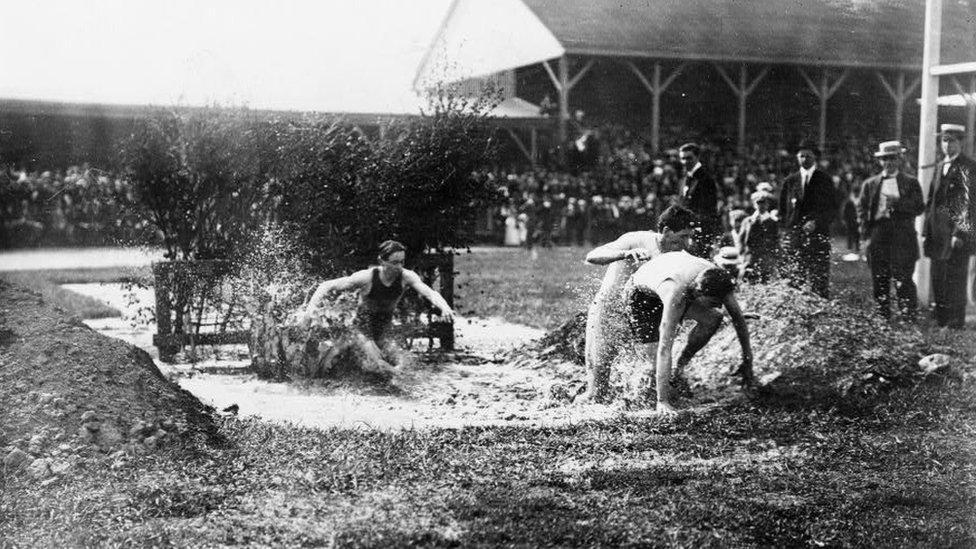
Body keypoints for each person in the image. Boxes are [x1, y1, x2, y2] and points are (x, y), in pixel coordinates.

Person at [581, 205, 697, 403]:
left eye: (689, 237)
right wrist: (624, 254)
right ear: (667, 231)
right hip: (610, 311)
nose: (687, 243)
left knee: (649, 383)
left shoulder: (679, 255)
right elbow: (592, 256)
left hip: (643, 316)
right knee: (596, 393)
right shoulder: (637, 239)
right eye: (683, 236)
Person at [624, 251, 755, 414]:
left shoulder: (718, 280)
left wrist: (747, 360)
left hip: (679, 279)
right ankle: (642, 394)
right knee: (652, 366)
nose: (721, 306)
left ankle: (679, 370)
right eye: (715, 302)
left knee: (713, 318)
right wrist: (662, 401)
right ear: (700, 293)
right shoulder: (676, 295)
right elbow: (664, 348)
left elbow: (739, 320)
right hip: (642, 296)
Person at [304, 240, 455, 371]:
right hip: (362, 326)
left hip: (384, 325)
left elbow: (430, 293)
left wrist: (445, 307)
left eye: (402, 262)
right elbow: (326, 285)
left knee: (402, 362)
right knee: (378, 363)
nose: (399, 267)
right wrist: (309, 311)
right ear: (382, 261)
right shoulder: (367, 277)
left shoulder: (406, 277)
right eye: (394, 262)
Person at [858, 141, 925, 320]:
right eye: (886, 159)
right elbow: (862, 212)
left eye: (893, 158)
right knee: (880, 278)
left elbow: (919, 207)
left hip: (902, 234)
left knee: (903, 277)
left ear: (899, 159)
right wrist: (866, 237)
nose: (889, 162)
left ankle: (908, 316)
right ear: (880, 161)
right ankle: (882, 316)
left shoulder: (910, 183)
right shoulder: (870, 184)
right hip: (879, 234)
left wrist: (899, 203)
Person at [923, 124, 976, 329]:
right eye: (944, 140)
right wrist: (927, 231)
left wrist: (959, 232)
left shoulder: (968, 167)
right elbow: (932, 202)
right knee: (938, 276)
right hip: (937, 232)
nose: (947, 145)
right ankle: (942, 318)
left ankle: (955, 322)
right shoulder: (939, 166)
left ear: (961, 142)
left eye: (952, 140)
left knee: (955, 278)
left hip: (955, 233)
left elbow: (969, 203)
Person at [778, 139, 839, 298]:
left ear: (815, 158)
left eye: (808, 156)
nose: (804, 159)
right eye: (801, 156)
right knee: (794, 279)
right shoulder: (790, 181)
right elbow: (783, 212)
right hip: (795, 239)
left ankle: (820, 310)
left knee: (819, 279)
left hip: (817, 238)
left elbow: (832, 210)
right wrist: (787, 232)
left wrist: (817, 222)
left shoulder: (824, 180)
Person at [677, 143, 722, 256]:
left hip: (700, 232)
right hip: (686, 231)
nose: (685, 161)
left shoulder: (706, 179)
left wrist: (695, 230)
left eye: (689, 158)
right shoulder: (684, 179)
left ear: (697, 157)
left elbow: (708, 209)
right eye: (683, 158)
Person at [740, 188, 780, 284]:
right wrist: (742, 257)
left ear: (768, 204)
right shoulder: (748, 221)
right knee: (748, 282)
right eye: (758, 202)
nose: (761, 205)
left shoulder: (773, 222)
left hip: (766, 259)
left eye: (764, 203)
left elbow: (775, 241)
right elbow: (742, 240)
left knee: (766, 283)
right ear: (754, 204)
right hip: (750, 258)